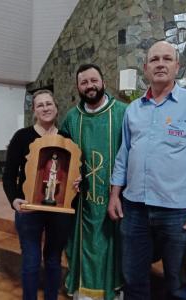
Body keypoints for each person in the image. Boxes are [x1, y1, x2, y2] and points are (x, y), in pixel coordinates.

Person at [109, 41, 186, 300]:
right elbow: (124, 154)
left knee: (178, 283)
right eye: (155, 59)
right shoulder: (133, 109)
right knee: (133, 279)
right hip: (134, 208)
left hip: (177, 211)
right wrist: (115, 194)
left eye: (167, 59)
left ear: (177, 66)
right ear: (146, 68)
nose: (161, 64)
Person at [61, 63, 127, 299]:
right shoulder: (71, 118)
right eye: (84, 82)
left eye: (93, 81)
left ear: (103, 82)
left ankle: (113, 289)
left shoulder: (122, 112)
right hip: (81, 202)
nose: (90, 86)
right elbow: (62, 156)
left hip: (115, 198)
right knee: (83, 242)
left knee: (112, 244)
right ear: (78, 87)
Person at [2, 90, 73, 300]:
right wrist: (14, 200)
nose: (45, 108)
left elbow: (72, 173)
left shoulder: (66, 139)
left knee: (53, 260)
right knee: (31, 261)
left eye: (49, 104)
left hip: (58, 211)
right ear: (34, 110)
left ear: (56, 107)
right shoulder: (22, 137)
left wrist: (76, 182)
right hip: (29, 210)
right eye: (40, 105)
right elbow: (8, 175)